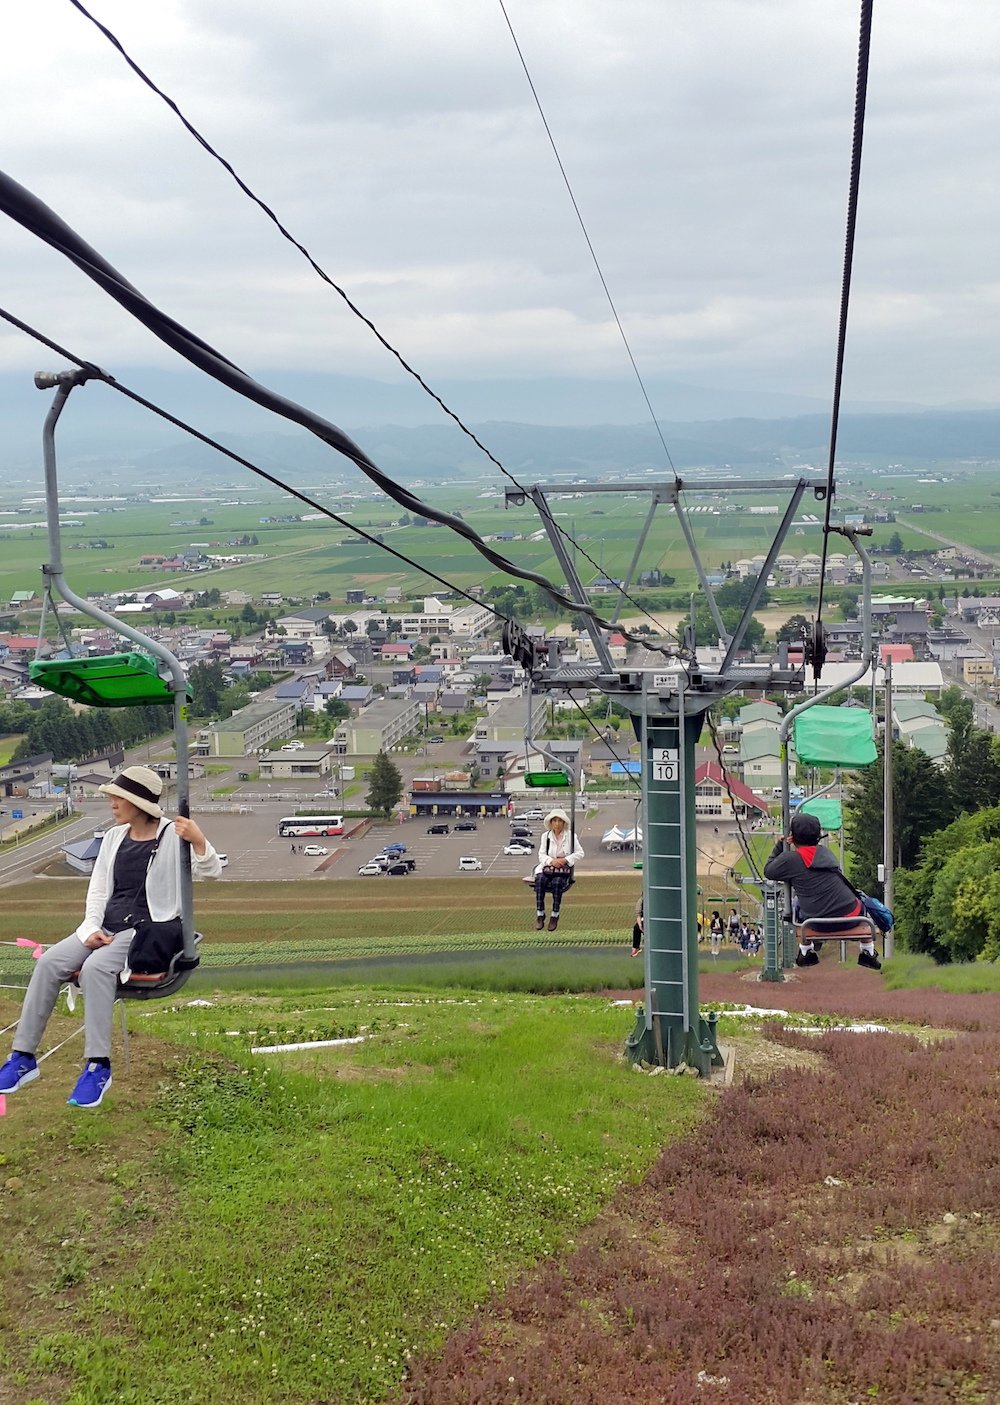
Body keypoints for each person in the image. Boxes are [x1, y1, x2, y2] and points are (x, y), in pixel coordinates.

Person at [0, 766, 222, 1108]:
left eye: (118, 797)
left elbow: (211, 873)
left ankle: (98, 1066)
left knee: (94, 970)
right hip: (106, 926)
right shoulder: (114, 838)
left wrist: (199, 840)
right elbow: (98, 889)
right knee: (48, 963)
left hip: (145, 930)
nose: (112, 804)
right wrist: (90, 930)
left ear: (138, 802)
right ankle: (23, 1057)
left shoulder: (172, 836)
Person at [763, 810, 881, 970]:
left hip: (816, 923)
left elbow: (769, 871)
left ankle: (806, 951)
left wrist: (781, 845)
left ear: (793, 836)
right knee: (857, 900)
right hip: (852, 917)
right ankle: (868, 950)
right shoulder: (826, 853)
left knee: (797, 903)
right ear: (818, 836)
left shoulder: (790, 860)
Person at [532, 808, 584, 932]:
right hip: (548, 867)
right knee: (540, 881)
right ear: (551, 823)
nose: (557, 823)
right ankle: (540, 913)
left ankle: (555, 915)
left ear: (563, 823)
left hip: (562, 869)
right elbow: (541, 855)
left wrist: (565, 860)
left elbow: (580, 853)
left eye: (559, 821)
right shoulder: (546, 837)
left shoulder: (571, 836)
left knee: (557, 883)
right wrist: (551, 861)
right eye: (554, 821)